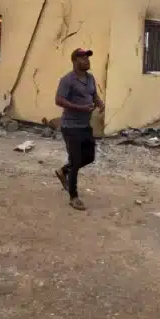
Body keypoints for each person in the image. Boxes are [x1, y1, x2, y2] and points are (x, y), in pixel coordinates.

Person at [54, 48, 104, 211]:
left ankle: (64, 170)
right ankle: (73, 196)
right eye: (83, 59)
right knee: (76, 161)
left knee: (89, 157)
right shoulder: (67, 80)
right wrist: (79, 107)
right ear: (75, 61)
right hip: (70, 126)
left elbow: (93, 94)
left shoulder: (90, 78)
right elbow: (59, 100)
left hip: (85, 126)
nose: (87, 61)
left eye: (88, 58)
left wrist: (99, 102)